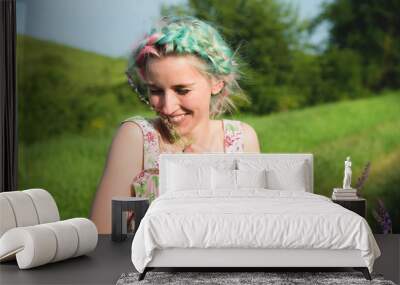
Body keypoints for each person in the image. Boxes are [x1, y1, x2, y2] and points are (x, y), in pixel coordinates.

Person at [90, 16, 261, 234]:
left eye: (182, 90)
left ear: (216, 82)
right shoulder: (136, 139)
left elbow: (254, 230)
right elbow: (103, 236)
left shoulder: (242, 140)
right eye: (156, 91)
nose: (168, 107)